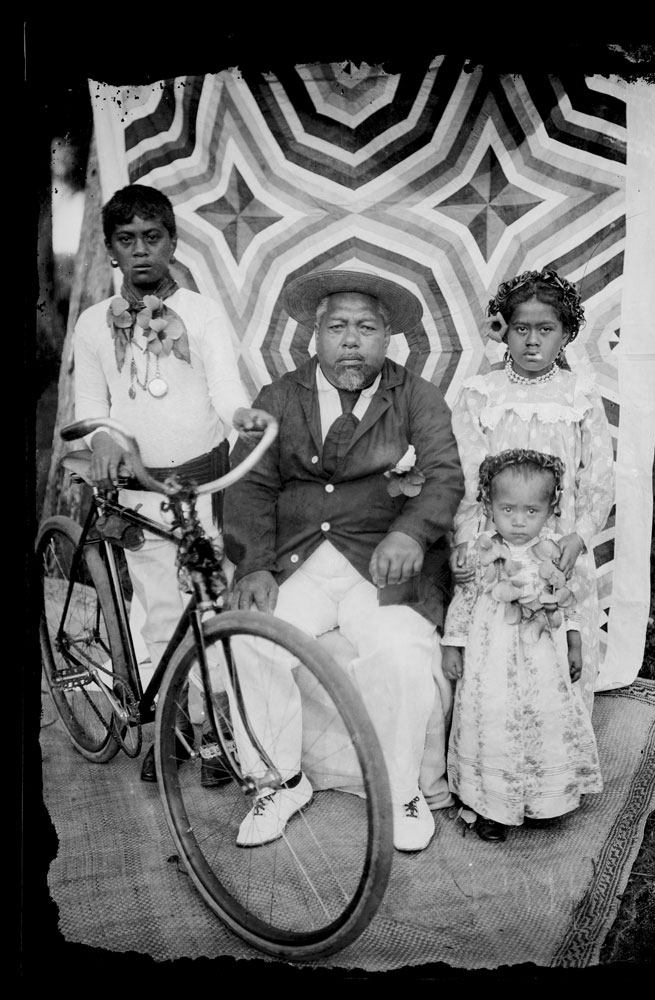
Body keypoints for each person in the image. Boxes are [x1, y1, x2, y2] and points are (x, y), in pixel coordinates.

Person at [222, 269, 465, 852]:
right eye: (337, 327)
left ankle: (401, 788)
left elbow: (446, 475)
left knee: (403, 653)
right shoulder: (279, 396)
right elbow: (248, 484)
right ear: (314, 336)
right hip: (297, 560)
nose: (351, 341)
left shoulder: (416, 396)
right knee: (250, 639)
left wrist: (411, 532)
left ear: (389, 339)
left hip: (381, 566)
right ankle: (278, 781)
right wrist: (255, 563)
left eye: (366, 328)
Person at [72, 183, 260, 783]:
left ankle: (214, 729)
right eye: (127, 241)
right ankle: (174, 727)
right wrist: (102, 437)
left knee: (207, 608)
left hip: (200, 494)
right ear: (110, 251)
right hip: (139, 495)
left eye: (153, 238)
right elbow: (91, 405)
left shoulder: (203, 314)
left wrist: (240, 416)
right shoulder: (93, 324)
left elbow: (225, 390)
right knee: (158, 612)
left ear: (173, 242)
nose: (142, 251)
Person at [450, 267, 615, 714]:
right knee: (500, 645)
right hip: (497, 542)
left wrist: (580, 535)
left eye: (546, 329)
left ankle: (558, 750)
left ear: (566, 334)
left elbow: (598, 473)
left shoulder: (579, 393)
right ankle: (499, 753)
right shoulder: (480, 394)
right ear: (504, 331)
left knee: (559, 639)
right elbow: (467, 477)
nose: (532, 341)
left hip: (560, 543)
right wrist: (469, 542)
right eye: (521, 328)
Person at [441, 449, 603, 841]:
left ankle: (543, 797)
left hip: (540, 660)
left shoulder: (552, 554)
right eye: (507, 509)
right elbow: (463, 602)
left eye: (531, 511)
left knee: (542, 717)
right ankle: (491, 806)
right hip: (490, 660)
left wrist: (575, 645)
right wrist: (453, 645)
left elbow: (570, 601)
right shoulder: (482, 553)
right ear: (488, 507)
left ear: (550, 511)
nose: (518, 521)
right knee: (494, 721)